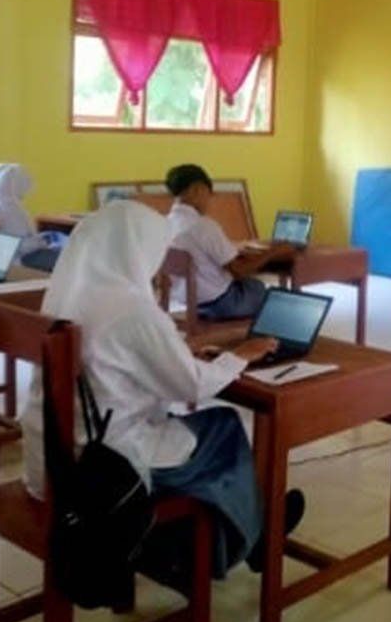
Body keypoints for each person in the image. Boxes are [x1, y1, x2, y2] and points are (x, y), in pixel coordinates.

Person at [19, 201, 304, 587]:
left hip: (49, 463)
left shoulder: (64, 296)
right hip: (103, 474)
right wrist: (240, 355)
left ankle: (214, 535)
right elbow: (191, 386)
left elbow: (115, 362)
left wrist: (175, 353)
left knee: (189, 436)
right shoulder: (132, 308)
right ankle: (251, 539)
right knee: (223, 425)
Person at [165, 164, 292, 321]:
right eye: (209, 194)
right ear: (197, 189)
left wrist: (232, 248)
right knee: (265, 292)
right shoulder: (203, 225)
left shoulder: (166, 223)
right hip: (220, 304)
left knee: (251, 286)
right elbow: (239, 271)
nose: (209, 201)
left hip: (188, 300)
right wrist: (273, 251)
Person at [0, 163, 64, 271]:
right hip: (13, 261)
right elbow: (19, 245)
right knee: (69, 259)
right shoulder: (8, 207)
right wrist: (42, 242)